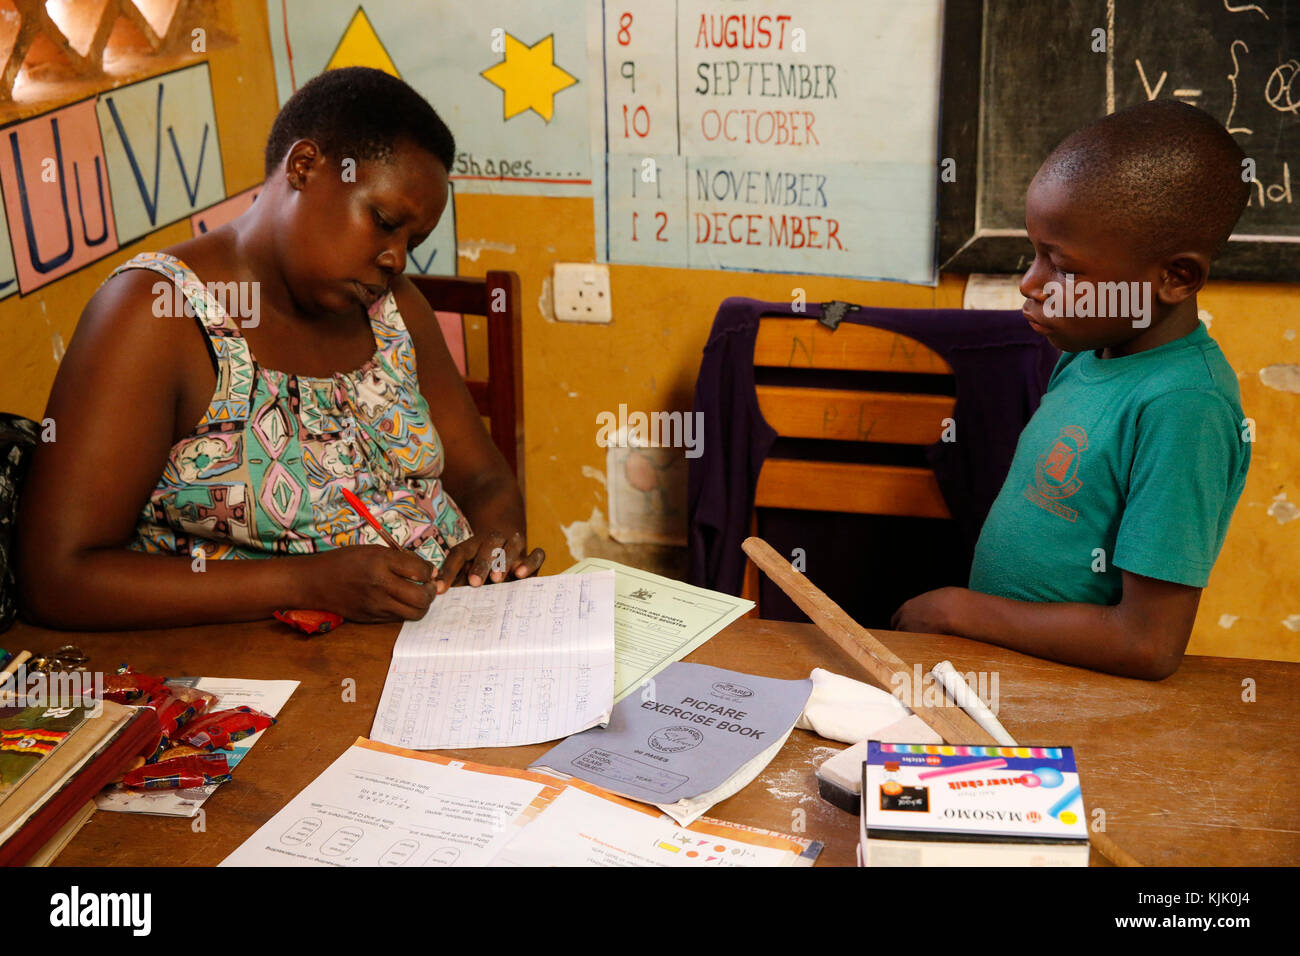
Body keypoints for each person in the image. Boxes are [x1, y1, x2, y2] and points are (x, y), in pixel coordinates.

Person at [17, 67, 542, 630]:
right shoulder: (156, 313)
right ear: (305, 166)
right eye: (384, 222)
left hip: (452, 640)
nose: (396, 259)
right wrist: (307, 583)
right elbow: (58, 579)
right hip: (282, 671)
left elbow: (484, 478)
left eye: (411, 242)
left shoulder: (394, 308)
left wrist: (492, 544)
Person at [892, 100, 1251, 680]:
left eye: (1064, 268)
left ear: (1175, 277)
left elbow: (1147, 645)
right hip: (1008, 671)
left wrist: (960, 610)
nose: (1030, 284)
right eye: (1034, 253)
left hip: (1077, 698)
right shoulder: (1087, 355)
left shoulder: (1184, 408)